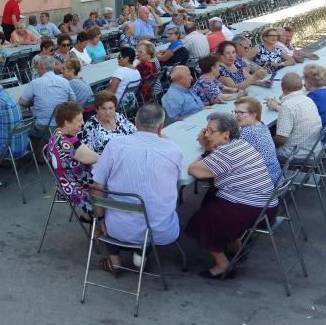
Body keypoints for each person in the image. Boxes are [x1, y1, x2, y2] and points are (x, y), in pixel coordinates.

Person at [186, 112, 279, 279]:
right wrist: (209, 146)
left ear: (226, 134)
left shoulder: (226, 153)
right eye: (206, 130)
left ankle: (223, 266)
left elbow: (194, 170)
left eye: (211, 131)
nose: (207, 135)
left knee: (201, 221)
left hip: (253, 208)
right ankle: (236, 248)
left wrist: (205, 147)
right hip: (265, 204)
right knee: (211, 199)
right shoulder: (239, 144)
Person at [93, 104, 182, 277]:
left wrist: (100, 218)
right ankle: (141, 256)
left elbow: (97, 186)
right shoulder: (173, 149)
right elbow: (176, 181)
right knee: (151, 202)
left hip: (117, 228)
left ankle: (115, 261)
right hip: (160, 230)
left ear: (135, 122)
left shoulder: (116, 145)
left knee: (108, 196)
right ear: (161, 126)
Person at [44, 102, 98, 216]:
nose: (82, 123)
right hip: (78, 188)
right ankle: (98, 219)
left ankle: (89, 217)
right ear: (67, 123)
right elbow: (95, 158)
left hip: (63, 183)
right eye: (79, 120)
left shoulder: (56, 134)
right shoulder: (69, 141)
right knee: (113, 184)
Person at [265, 73, 323, 163]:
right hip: (314, 150)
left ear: (282, 87)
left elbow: (281, 140)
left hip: (296, 155)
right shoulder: (308, 99)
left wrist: (267, 144)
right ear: (301, 86)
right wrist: (277, 105)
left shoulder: (287, 106)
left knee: (260, 148)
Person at [20, 56, 75, 137]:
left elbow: (21, 102)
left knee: (22, 126)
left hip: (42, 127)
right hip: (62, 125)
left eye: (37, 66)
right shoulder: (64, 81)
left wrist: (32, 103)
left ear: (41, 67)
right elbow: (73, 101)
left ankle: (34, 144)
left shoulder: (35, 83)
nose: (37, 69)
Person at [233, 97, 281, 183]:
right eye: (235, 112)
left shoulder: (248, 132)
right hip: (275, 176)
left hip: (263, 182)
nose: (235, 116)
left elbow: (231, 156)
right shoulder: (261, 125)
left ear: (253, 115)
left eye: (240, 113)